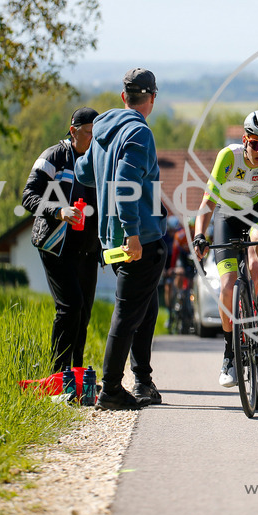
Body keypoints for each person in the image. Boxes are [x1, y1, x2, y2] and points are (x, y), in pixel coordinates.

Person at [75, 68, 167, 411]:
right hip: (138, 239)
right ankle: (111, 389)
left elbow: (84, 172)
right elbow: (127, 185)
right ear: (152, 98)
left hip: (109, 239)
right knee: (128, 313)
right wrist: (133, 234)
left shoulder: (102, 128)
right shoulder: (139, 132)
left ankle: (142, 380)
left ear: (123, 96)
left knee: (146, 305)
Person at [193, 110, 258, 389]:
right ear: (245, 140)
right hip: (228, 215)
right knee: (227, 286)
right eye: (256, 144)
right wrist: (199, 235)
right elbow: (208, 203)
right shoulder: (228, 157)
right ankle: (229, 355)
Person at [22, 106, 101, 373]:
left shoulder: (98, 161)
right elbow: (28, 196)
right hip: (56, 246)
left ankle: (75, 375)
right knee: (70, 307)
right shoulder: (53, 157)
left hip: (87, 249)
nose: (92, 139)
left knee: (84, 313)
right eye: (88, 132)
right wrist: (58, 211)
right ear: (72, 131)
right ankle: (58, 373)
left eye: (96, 134)